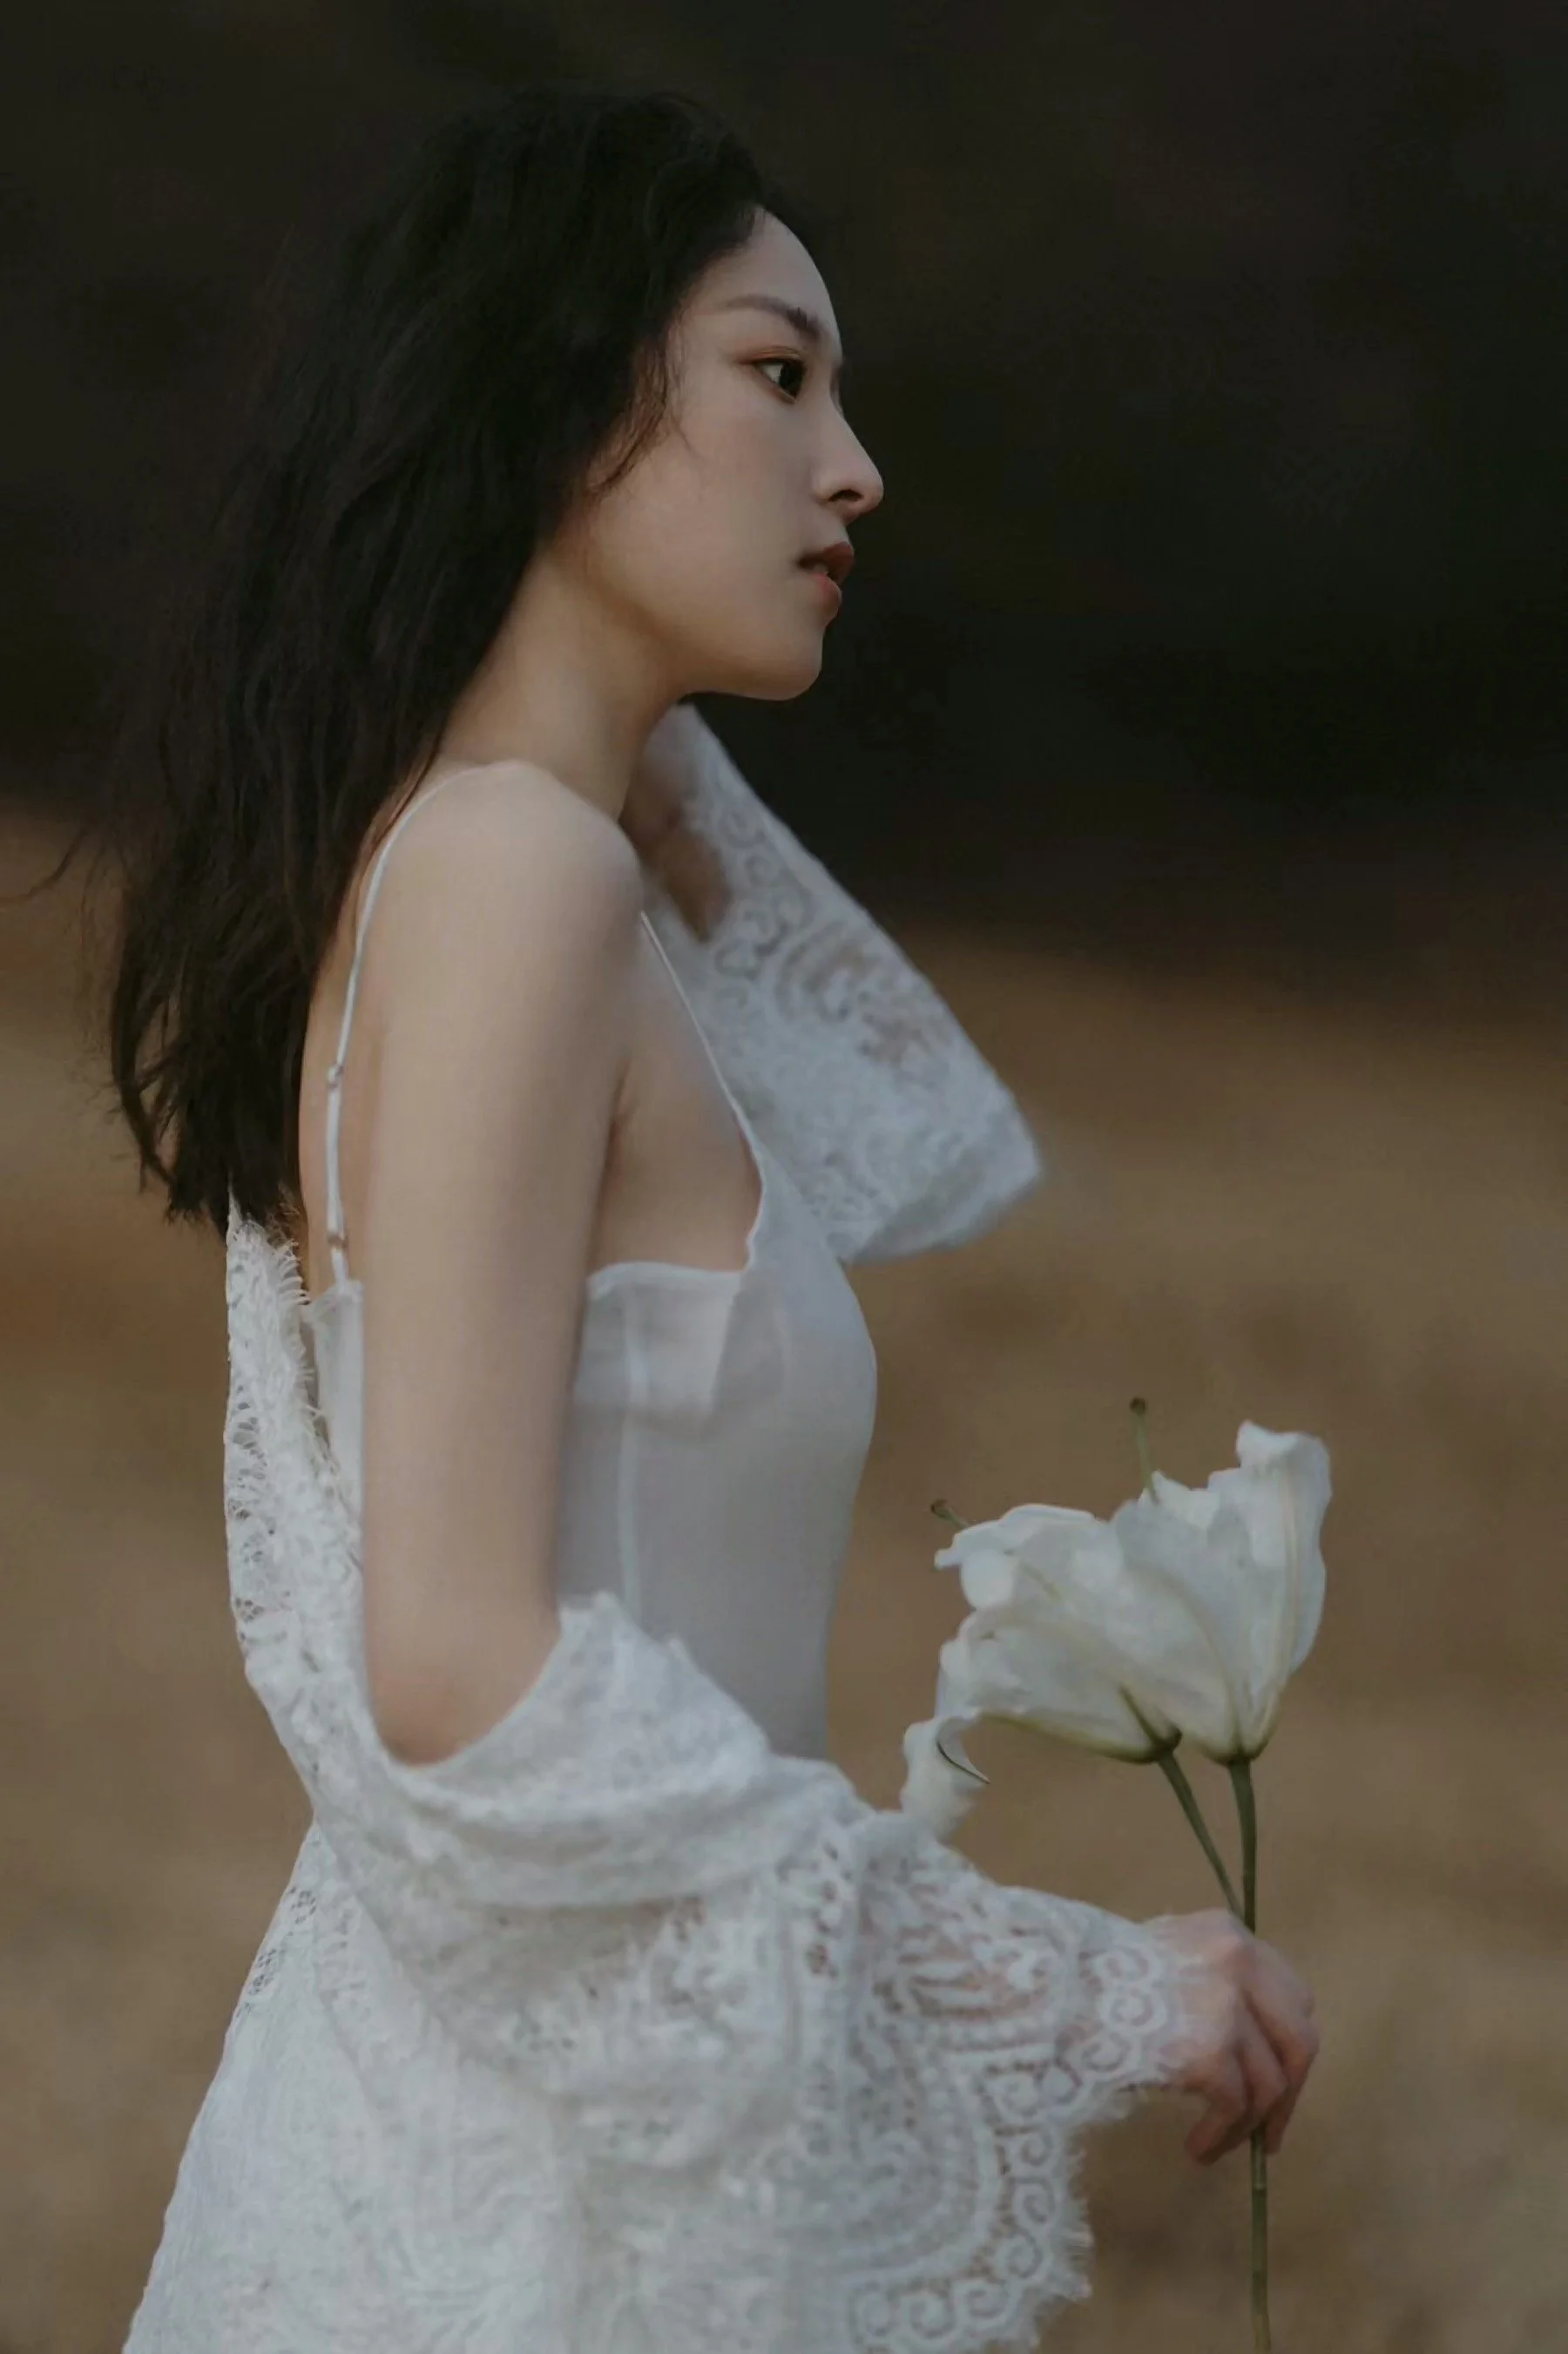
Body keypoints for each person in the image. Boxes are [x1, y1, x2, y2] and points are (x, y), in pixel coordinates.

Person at [98, 83, 1318, 2352]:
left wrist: (643, 758)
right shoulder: (517, 880)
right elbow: (455, 1668)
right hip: (546, 2223)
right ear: (561, 403)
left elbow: (896, 1126)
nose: (854, 467)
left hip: (524, 2121)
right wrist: (1079, 1979)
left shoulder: (507, 866)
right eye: (779, 373)